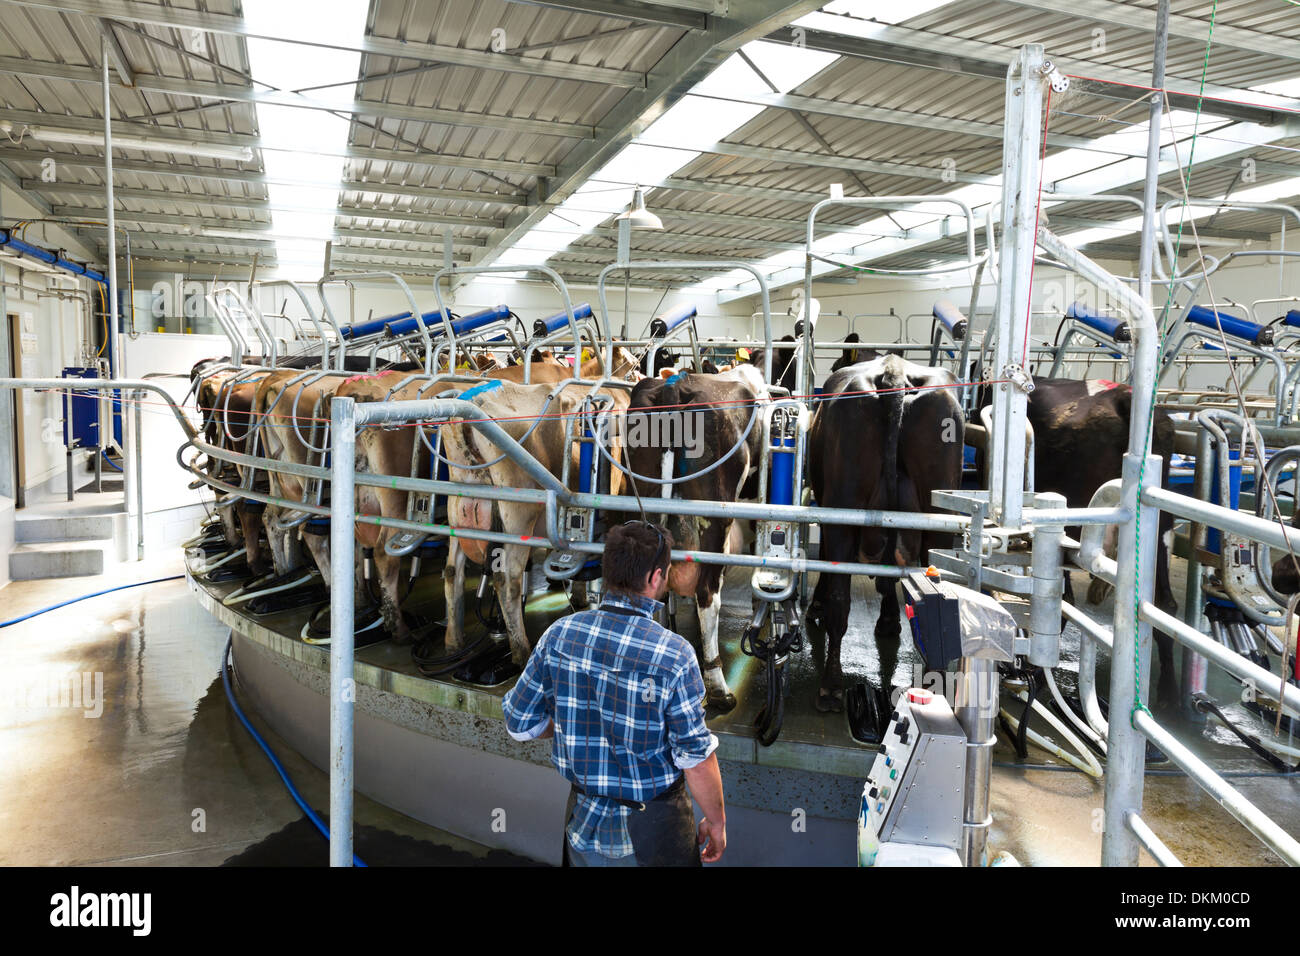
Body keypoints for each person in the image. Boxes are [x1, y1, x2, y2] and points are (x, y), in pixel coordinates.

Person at [502, 520, 726, 866]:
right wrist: (716, 821)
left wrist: (569, 724)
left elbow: (518, 723)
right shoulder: (674, 655)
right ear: (655, 579)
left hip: (582, 821)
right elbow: (695, 759)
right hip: (654, 830)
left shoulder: (559, 634)